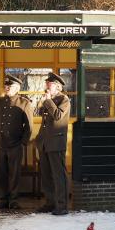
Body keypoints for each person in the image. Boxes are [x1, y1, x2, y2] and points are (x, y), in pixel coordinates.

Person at [0, 73, 34, 209]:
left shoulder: (24, 103)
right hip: (0, 143)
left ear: (17, 88)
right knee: (1, 173)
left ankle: (13, 200)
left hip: (15, 145)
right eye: (6, 85)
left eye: (10, 86)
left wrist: (22, 143)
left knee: (14, 173)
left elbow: (29, 127)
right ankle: (3, 199)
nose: (7, 88)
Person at [36, 72, 70, 215]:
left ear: (57, 86)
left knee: (58, 175)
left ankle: (61, 206)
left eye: (49, 84)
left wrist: (48, 101)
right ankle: (50, 203)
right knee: (46, 175)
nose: (46, 86)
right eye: (46, 84)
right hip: (44, 143)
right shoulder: (49, 99)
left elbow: (57, 116)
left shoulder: (64, 100)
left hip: (56, 142)